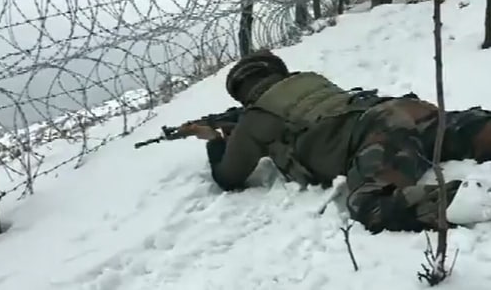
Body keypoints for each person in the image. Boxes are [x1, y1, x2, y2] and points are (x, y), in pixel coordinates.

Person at [185, 49, 491, 234]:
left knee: (371, 203)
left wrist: (214, 139)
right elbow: (314, 114)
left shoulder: (256, 118)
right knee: (472, 130)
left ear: (241, 93)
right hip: (404, 110)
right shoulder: (311, 81)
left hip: (379, 134)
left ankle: (477, 198)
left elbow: (229, 177)